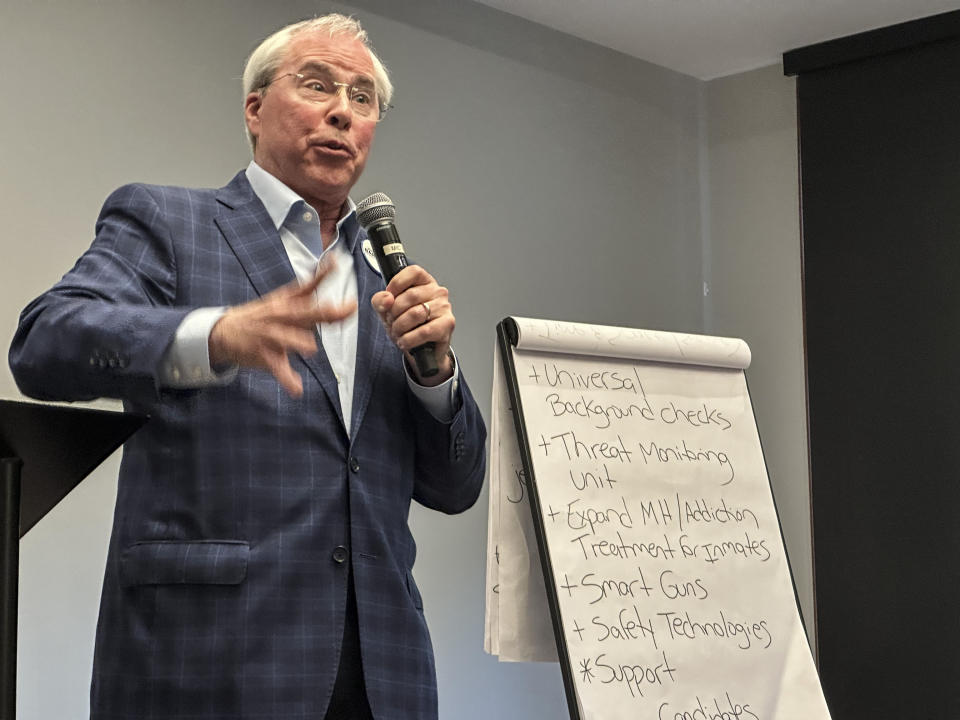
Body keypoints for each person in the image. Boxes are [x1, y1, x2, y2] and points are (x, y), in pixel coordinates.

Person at [9, 14, 486, 720]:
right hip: (204, 664)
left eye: (362, 98)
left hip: (382, 676)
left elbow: (456, 487)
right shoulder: (170, 223)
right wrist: (216, 335)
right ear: (255, 109)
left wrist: (435, 374)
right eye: (317, 84)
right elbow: (45, 344)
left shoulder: (388, 278)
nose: (340, 111)